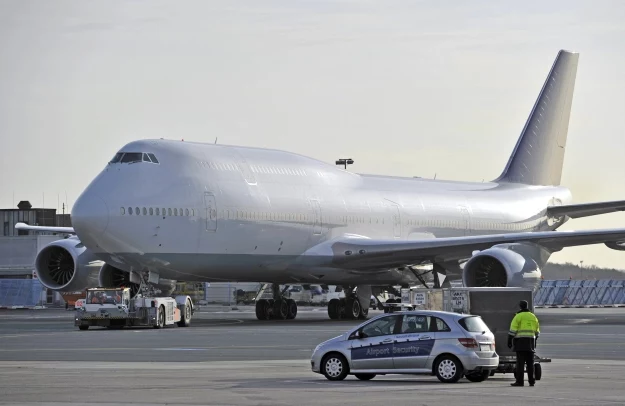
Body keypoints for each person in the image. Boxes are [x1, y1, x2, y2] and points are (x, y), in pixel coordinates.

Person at [507, 300, 540, 387]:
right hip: (531, 343)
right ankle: (531, 381)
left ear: (520, 306)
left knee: (520, 364)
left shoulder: (518, 316)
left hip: (520, 343)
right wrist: (534, 341)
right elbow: (537, 332)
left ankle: (520, 381)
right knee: (530, 363)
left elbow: (512, 330)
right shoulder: (533, 316)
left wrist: (509, 341)